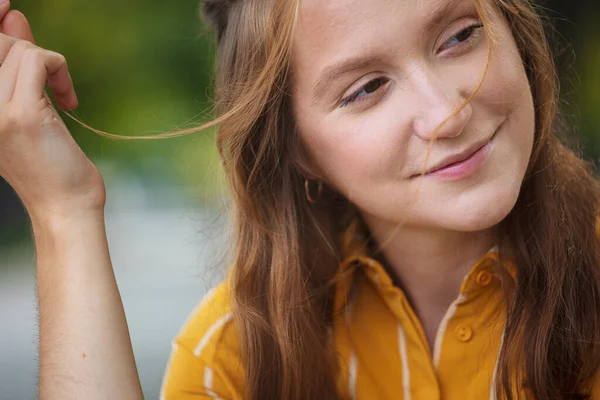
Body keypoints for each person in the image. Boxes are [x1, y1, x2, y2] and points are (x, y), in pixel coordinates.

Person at [1, 0, 599, 398]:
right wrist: (64, 213)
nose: (447, 113)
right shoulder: (234, 356)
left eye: (460, 36)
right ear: (299, 149)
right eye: (367, 88)